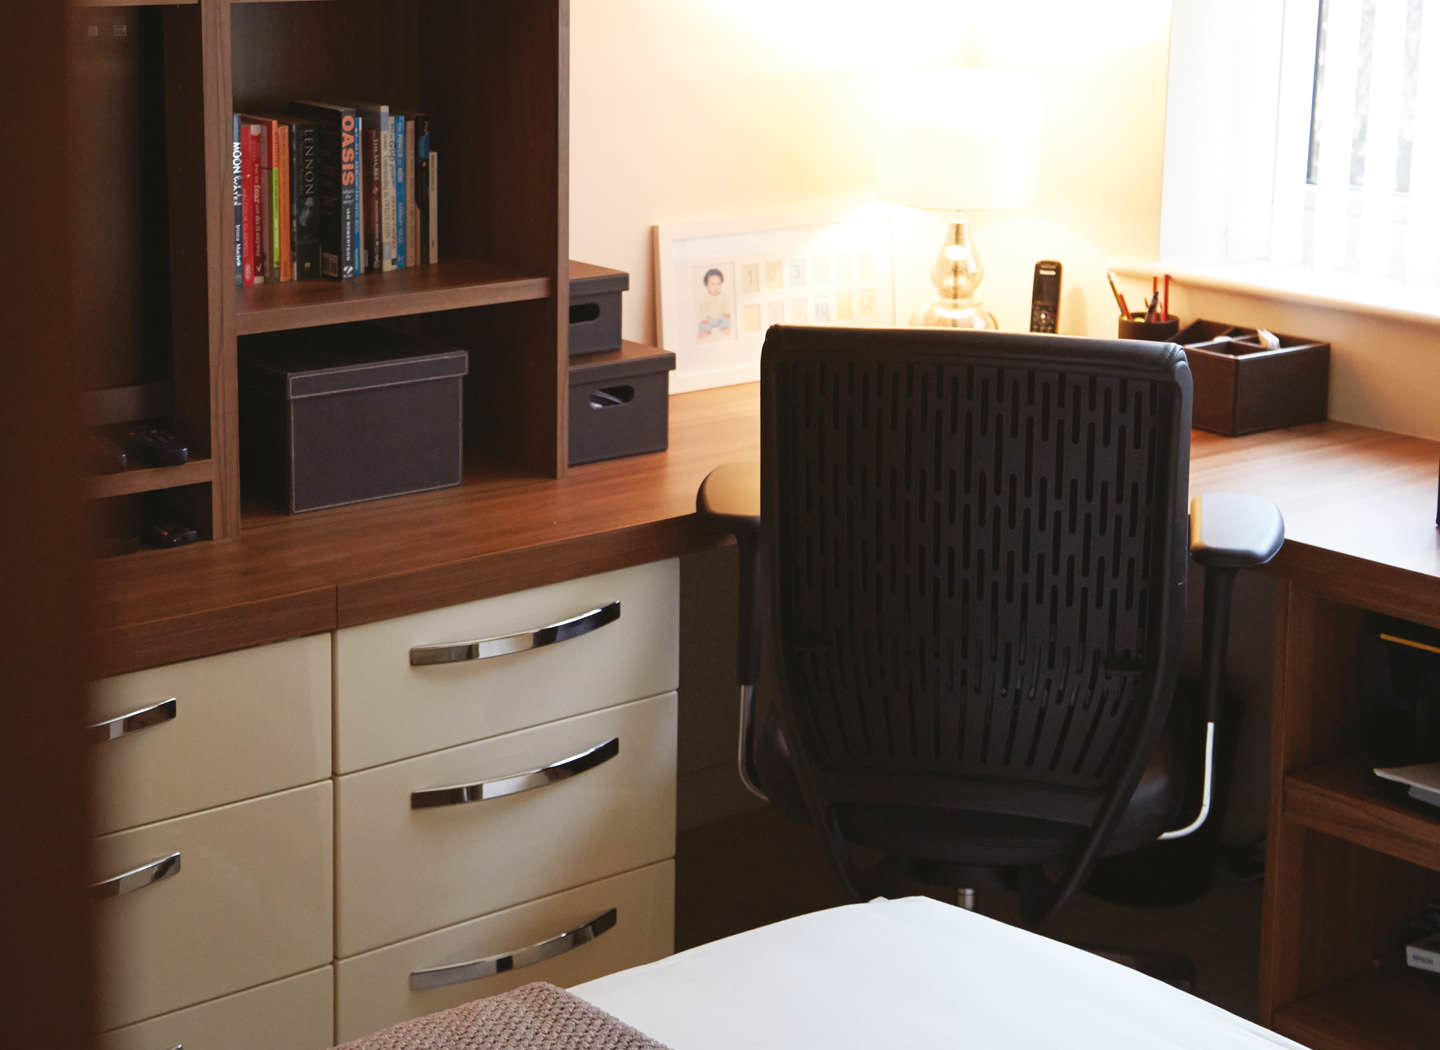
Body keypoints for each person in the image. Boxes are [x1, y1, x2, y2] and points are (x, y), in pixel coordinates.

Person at [697, 267, 733, 339]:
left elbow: (727, 306)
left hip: (721, 318)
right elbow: (703, 309)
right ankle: (706, 331)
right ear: (707, 285)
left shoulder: (724, 296)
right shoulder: (705, 298)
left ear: (721, 283)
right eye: (712, 284)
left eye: (718, 284)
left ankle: (724, 328)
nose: (716, 287)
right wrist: (704, 318)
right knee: (702, 324)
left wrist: (726, 314)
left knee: (727, 320)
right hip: (709, 319)